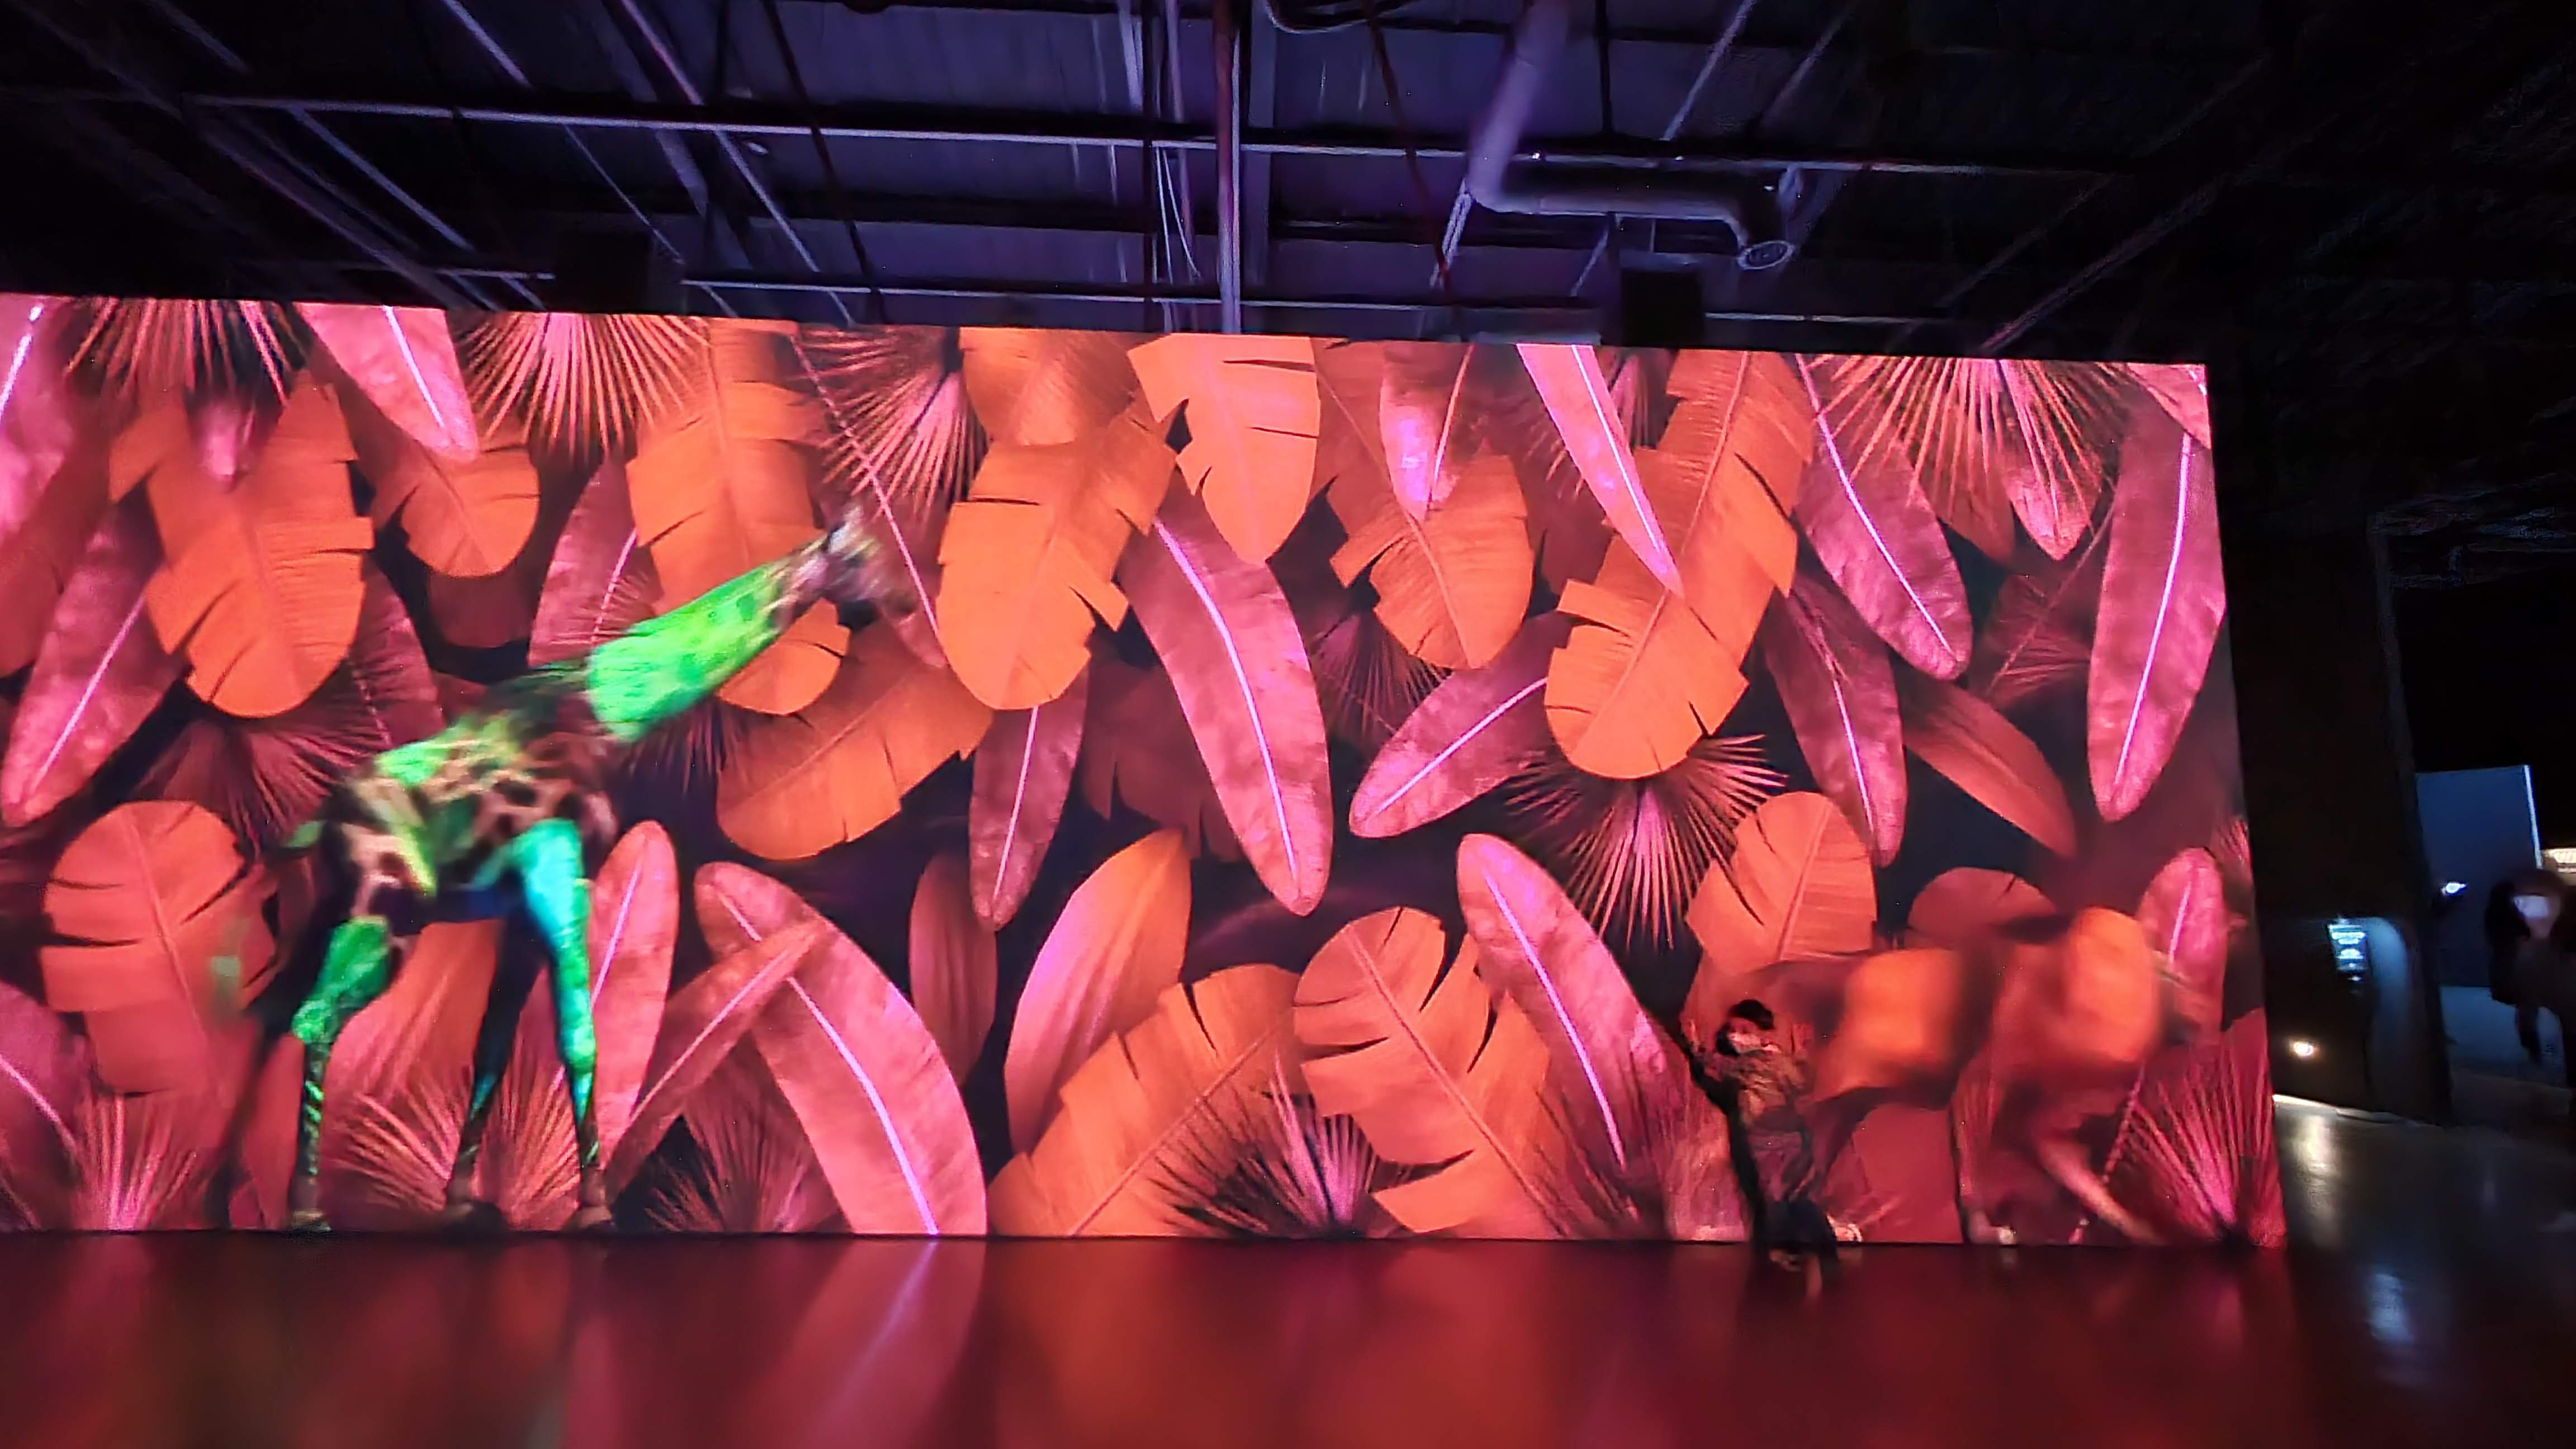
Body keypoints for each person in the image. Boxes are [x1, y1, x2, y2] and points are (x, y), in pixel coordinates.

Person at [1678, 999, 1839, 1271]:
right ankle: (1816, 1252)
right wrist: (1800, 1055)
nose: (1736, 1036)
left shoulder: (1758, 1063)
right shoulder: (1767, 1064)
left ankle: (1795, 1252)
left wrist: (1696, 1050)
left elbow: (1722, 1066)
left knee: (1782, 1199)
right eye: (1732, 1030)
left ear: (1763, 1033)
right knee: (1788, 1199)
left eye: (1744, 1030)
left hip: (1779, 1141)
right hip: (1776, 1142)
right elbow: (1799, 1082)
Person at [2484, 872, 2566, 1068]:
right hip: (2527, 968)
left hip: (2518, 969)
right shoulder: (2520, 923)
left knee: (2527, 1009)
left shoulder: (2498, 921)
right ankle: (2540, 1050)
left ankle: (2533, 1050)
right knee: (2535, 1007)